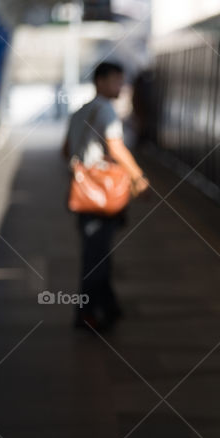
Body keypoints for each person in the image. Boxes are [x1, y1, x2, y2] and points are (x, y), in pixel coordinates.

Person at [62, 61, 149, 331]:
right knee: (96, 257)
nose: (121, 87)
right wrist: (137, 177)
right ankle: (87, 313)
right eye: (116, 81)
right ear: (100, 81)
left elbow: (65, 150)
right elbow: (117, 147)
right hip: (99, 196)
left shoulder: (80, 111)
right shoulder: (107, 111)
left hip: (82, 193)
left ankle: (109, 306)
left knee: (97, 252)